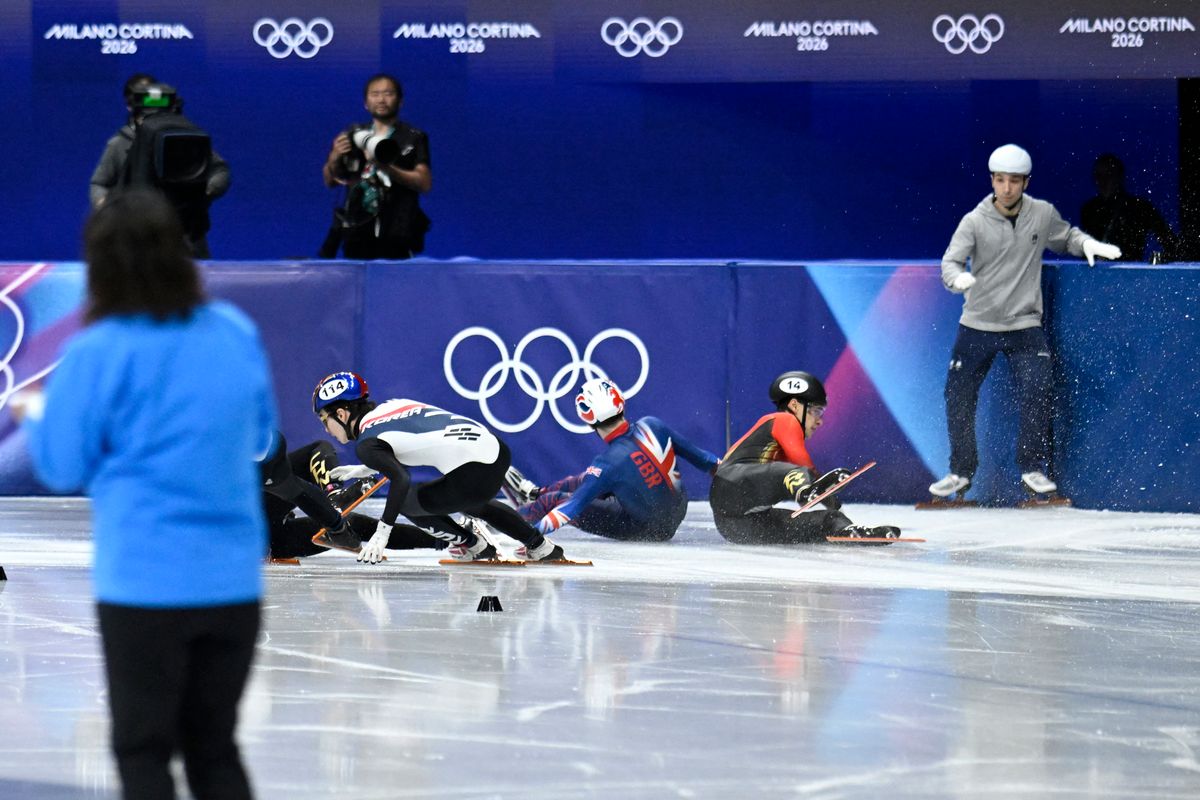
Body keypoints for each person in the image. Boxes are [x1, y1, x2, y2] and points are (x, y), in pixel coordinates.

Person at [18, 189, 274, 799]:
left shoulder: (97, 351)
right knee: (215, 749)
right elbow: (261, 432)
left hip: (145, 582)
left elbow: (59, 465)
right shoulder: (232, 330)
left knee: (144, 748)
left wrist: (37, 414)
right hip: (233, 581)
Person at [930, 144, 1122, 503]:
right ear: (992, 180)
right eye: (1000, 180)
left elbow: (1066, 237)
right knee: (958, 394)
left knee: (1038, 391)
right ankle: (960, 472)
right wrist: (957, 280)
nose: (1006, 188)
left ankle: (1032, 468)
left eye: (1014, 181)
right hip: (977, 324)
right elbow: (950, 263)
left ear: (1026, 182)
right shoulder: (973, 221)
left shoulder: (1042, 214)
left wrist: (1088, 244)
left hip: (1024, 325)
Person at [311, 371, 569, 563]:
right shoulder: (391, 407)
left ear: (342, 414)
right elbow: (405, 443)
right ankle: (540, 546)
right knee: (472, 502)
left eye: (326, 420)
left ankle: (474, 545)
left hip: (474, 471)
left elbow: (399, 478)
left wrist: (382, 533)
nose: (326, 430)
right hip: (496, 451)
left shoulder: (367, 444)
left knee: (407, 500)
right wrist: (363, 469)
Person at [503, 378, 720, 542]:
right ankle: (533, 493)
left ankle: (506, 520)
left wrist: (533, 539)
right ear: (620, 403)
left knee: (554, 501)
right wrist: (723, 469)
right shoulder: (653, 425)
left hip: (646, 530)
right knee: (588, 479)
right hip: (676, 513)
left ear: (588, 421)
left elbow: (572, 506)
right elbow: (702, 459)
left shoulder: (606, 463)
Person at [709, 371, 899, 544]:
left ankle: (846, 531)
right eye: (814, 411)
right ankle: (806, 492)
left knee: (827, 519)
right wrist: (816, 487)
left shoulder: (777, 455)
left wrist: (830, 504)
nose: (819, 420)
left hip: (734, 526)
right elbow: (800, 462)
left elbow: (783, 474)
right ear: (794, 405)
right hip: (730, 484)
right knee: (795, 472)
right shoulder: (785, 419)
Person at [89, 74, 231, 258]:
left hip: (185, 232)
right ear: (131, 108)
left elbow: (219, 170)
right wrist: (105, 205)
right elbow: (99, 183)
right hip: (136, 234)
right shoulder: (119, 144)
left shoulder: (186, 141)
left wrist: (205, 192)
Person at [259, 430, 442, 560]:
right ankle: (335, 499)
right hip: (265, 536)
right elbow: (295, 489)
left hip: (268, 537)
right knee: (350, 524)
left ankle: (446, 540)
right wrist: (335, 524)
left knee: (350, 525)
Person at [320, 73, 431, 259]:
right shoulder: (354, 134)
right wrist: (335, 156)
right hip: (357, 230)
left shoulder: (414, 137)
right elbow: (330, 181)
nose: (381, 99)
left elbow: (424, 182)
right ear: (365, 102)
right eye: (375, 94)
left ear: (400, 101)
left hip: (398, 230)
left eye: (388, 93)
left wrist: (385, 166)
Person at [1081, 153, 1178, 263]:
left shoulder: (1139, 207)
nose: (1103, 181)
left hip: (1131, 274)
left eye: (1109, 175)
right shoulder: (1089, 209)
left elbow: (1170, 242)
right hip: (1096, 274)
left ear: (1119, 177)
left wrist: (1160, 259)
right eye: (1099, 176)